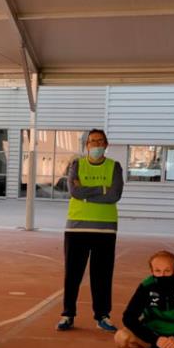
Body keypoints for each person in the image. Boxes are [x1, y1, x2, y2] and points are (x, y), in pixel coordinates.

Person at [56, 128, 124, 333]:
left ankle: (102, 315)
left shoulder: (114, 167)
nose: (96, 145)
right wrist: (102, 189)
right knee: (72, 274)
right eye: (92, 141)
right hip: (77, 227)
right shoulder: (77, 164)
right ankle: (68, 314)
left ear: (106, 144)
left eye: (100, 141)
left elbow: (114, 195)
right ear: (86, 145)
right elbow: (75, 192)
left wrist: (87, 193)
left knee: (102, 275)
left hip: (105, 229)